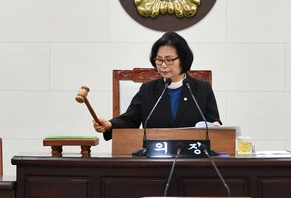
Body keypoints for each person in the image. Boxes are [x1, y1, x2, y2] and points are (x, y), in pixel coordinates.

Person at [93, 31, 221, 139]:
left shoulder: (202, 89)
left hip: (192, 156)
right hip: (155, 155)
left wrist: (216, 126)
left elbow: (213, 123)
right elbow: (130, 120)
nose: (163, 65)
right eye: (159, 60)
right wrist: (109, 125)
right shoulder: (147, 90)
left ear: (183, 59)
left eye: (169, 60)